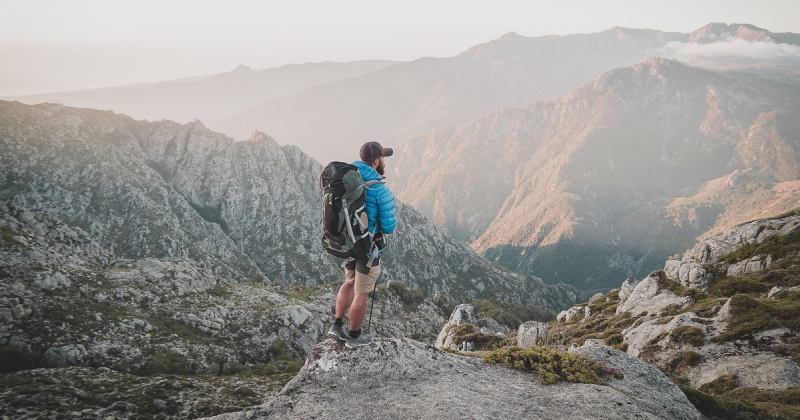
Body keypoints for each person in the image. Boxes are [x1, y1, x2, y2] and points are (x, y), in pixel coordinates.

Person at [328, 141, 397, 348]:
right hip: (368, 249)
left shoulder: (350, 180)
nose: (383, 161)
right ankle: (354, 336)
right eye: (382, 158)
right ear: (376, 161)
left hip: (348, 244)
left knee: (349, 282)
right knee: (361, 292)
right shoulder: (380, 189)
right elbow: (388, 226)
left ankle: (336, 325)